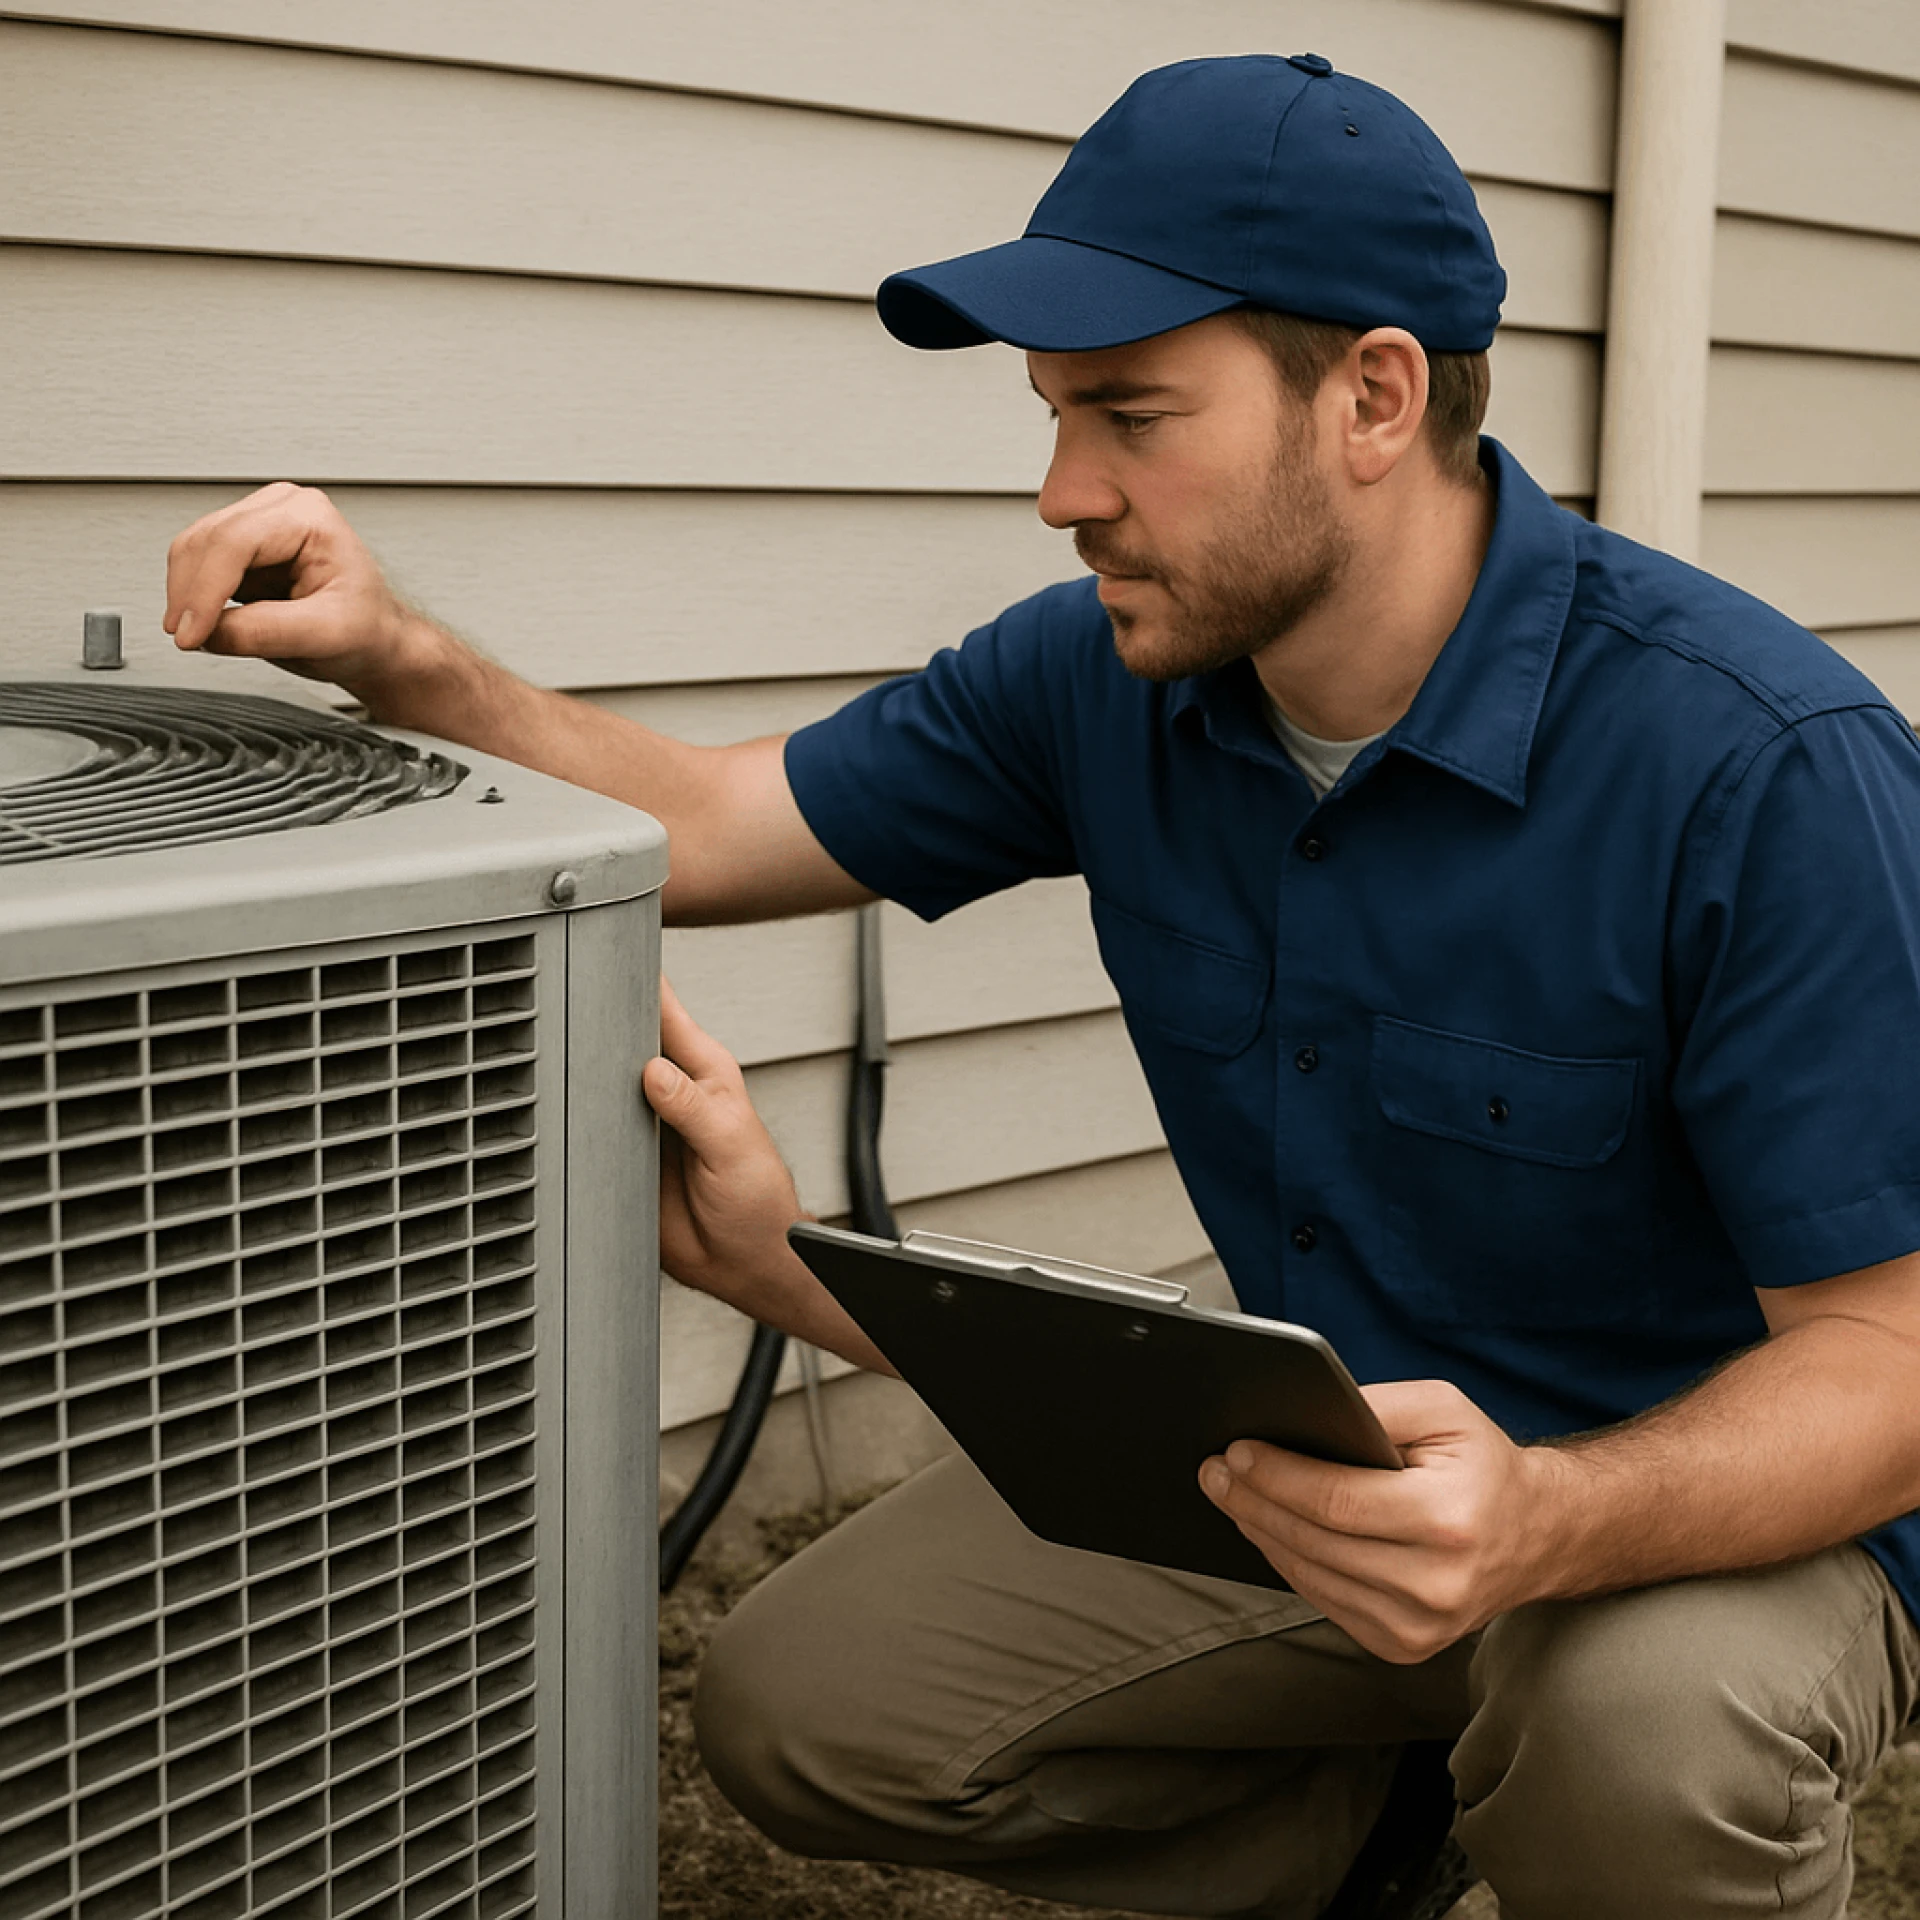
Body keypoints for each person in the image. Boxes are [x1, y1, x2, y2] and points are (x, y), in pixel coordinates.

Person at [161, 53, 1920, 1920]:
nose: (1062, 490)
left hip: (1714, 1521)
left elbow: (1893, 1360)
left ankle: (1565, 1785)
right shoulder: (1109, 677)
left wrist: (1553, 1519)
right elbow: (713, 818)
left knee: (1635, 1740)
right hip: (1334, 1466)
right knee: (815, 1706)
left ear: (1376, 399)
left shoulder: (1760, 765)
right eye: (1054, 413)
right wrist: (401, 656)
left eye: (1132, 416)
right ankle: (1387, 1846)